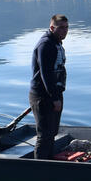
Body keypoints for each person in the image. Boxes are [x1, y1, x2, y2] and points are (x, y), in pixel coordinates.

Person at [30, 14, 68, 160]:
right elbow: (46, 74)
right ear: (52, 28)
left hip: (54, 94)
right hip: (43, 96)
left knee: (52, 132)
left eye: (66, 27)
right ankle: (39, 167)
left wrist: (58, 95)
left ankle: (49, 162)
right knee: (45, 134)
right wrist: (54, 98)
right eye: (61, 28)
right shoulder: (45, 45)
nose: (65, 31)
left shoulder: (56, 43)